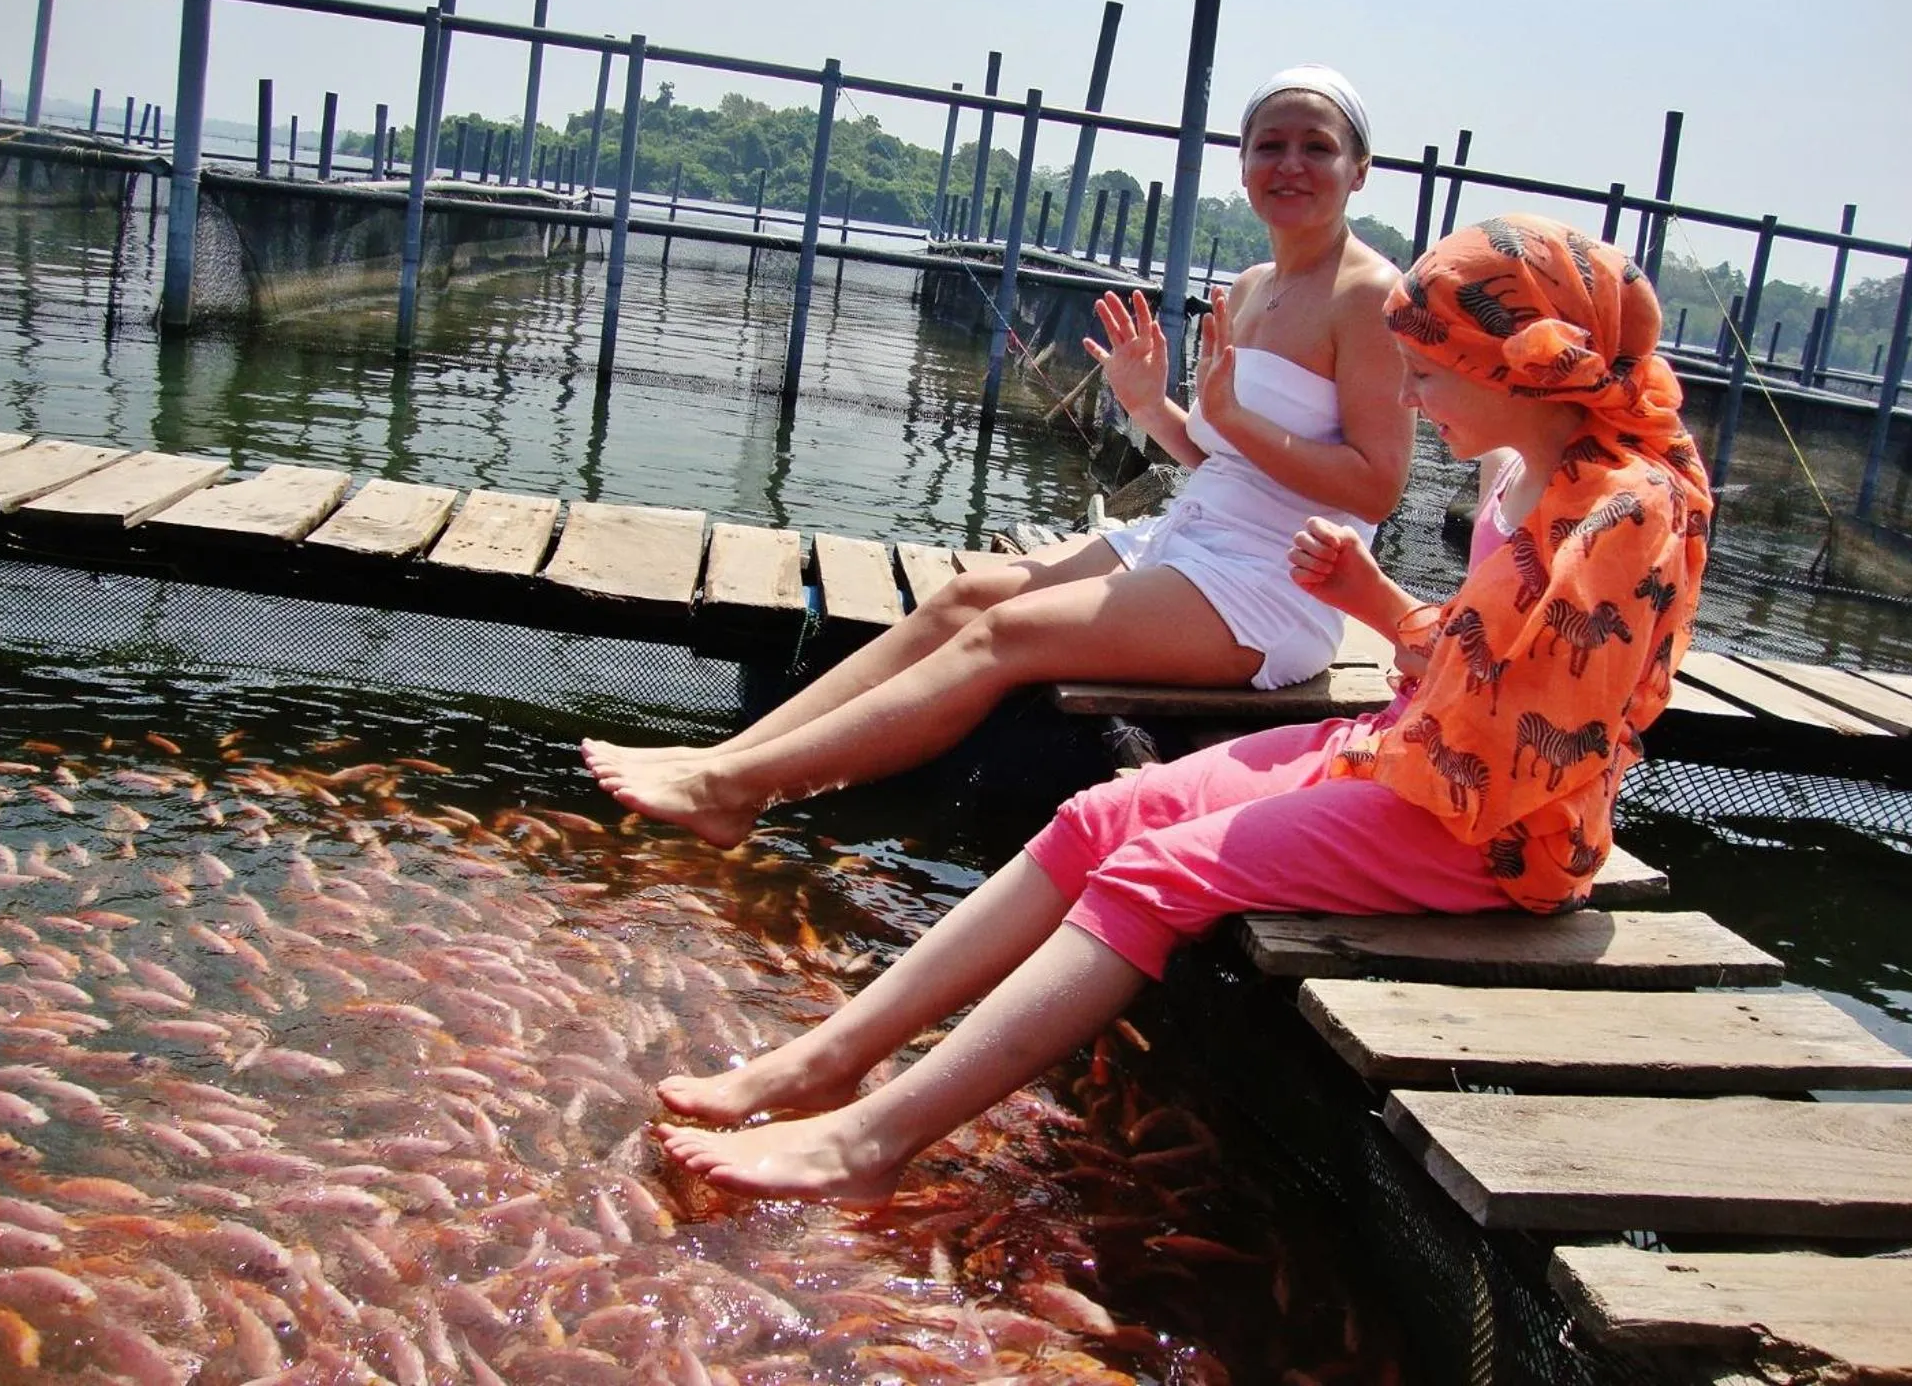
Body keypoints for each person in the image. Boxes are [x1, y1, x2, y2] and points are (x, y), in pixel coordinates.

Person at [651, 213, 1713, 1203]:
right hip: (1414, 755)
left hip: (1483, 831)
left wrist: (1383, 614)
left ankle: (867, 1145)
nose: (1407, 398)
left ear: (1514, 365)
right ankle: (824, 1061)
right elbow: (1483, 667)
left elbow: (1535, 733)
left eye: (1429, 373)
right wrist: (1386, 620)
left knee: (1154, 874)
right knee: (1098, 819)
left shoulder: (1619, 514)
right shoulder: (1528, 465)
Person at [584, 65, 1413, 849]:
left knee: (1006, 633)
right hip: (1185, 541)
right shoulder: (1251, 283)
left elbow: (1375, 491)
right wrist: (1148, 407)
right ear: (1243, 162)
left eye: (1317, 146)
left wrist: (1232, 414)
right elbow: (1225, 460)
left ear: (1360, 169)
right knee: (966, 597)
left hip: (1273, 585)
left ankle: (736, 793)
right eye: (1270, 145)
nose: (1291, 164)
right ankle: (723, 761)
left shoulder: (1372, 297)